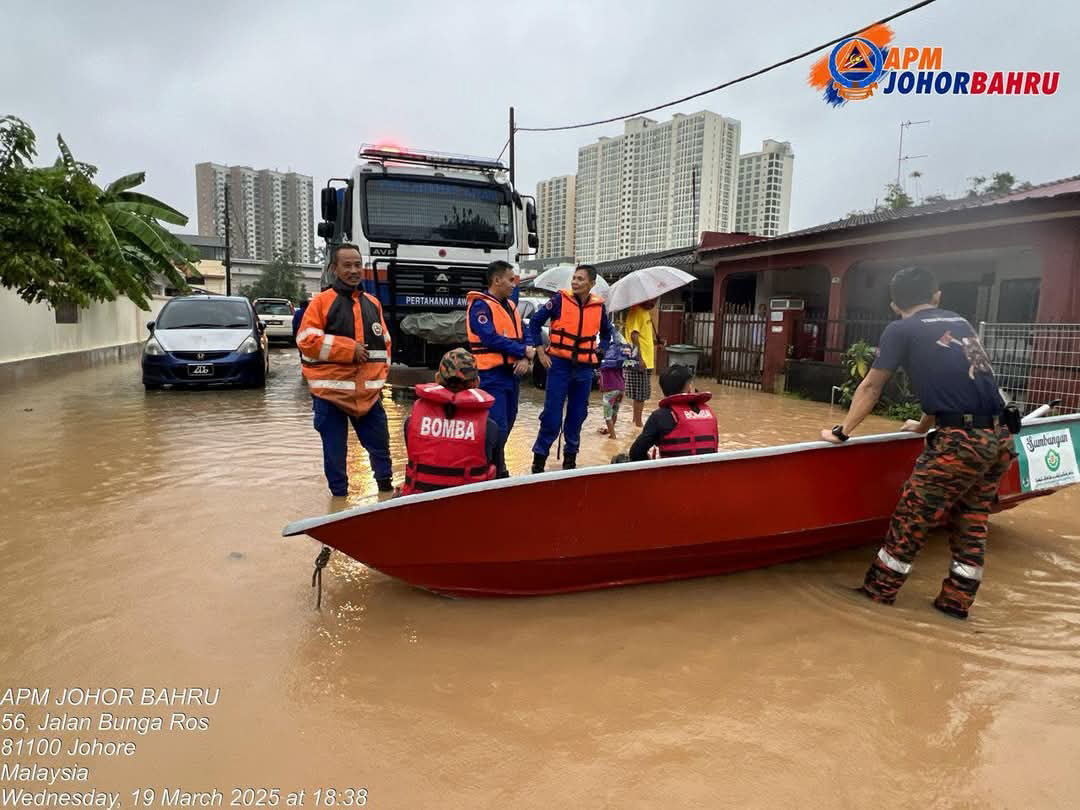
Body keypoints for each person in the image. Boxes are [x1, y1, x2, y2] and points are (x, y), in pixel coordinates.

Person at [820, 266, 1015, 620]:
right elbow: (956, 381)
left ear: (894, 304)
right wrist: (923, 424)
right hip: (999, 436)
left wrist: (841, 431)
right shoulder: (959, 322)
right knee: (971, 520)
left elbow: (871, 386)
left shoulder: (901, 329)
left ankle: (876, 597)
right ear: (937, 295)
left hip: (960, 440)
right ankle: (955, 605)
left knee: (912, 516)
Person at [297, 244, 393, 496]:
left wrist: (379, 380)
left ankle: (386, 494)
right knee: (335, 454)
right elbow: (306, 340)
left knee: (381, 449)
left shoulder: (373, 303)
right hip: (330, 397)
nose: (353, 270)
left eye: (357, 265)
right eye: (347, 265)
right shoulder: (320, 302)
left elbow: (385, 345)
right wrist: (348, 349)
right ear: (334, 269)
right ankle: (339, 502)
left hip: (369, 396)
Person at [528, 264, 615, 472]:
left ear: (591, 284)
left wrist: (600, 352)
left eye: (580, 279)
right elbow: (534, 323)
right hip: (559, 365)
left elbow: (606, 333)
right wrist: (540, 352)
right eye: (574, 278)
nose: (575, 282)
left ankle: (570, 460)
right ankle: (539, 460)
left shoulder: (598, 307)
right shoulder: (558, 300)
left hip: (584, 368)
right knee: (551, 415)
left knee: (577, 415)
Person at [401, 349, 503, 495]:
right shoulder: (490, 428)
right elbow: (499, 479)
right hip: (468, 510)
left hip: (419, 510)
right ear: (476, 383)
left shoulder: (411, 423)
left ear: (437, 379)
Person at [465, 260, 530, 475]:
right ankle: (496, 471)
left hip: (511, 374)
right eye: (510, 280)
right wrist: (521, 351)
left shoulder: (511, 306)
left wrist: (525, 356)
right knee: (497, 425)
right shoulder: (480, 306)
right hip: (491, 375)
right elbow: (489, 338)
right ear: (496, 280)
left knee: (509, 421)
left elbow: (524, 332)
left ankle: (493, 464)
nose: (514, 284)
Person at [627, 364, 718, 461]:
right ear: (689, 387)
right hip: (709, 474)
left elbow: (635, 453)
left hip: (673, 474)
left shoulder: (659, 416)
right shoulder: (710, 413)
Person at [624, 299, 665, 427]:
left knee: (640, 393)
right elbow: (634, 336)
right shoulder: (637, 311)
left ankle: (635, 420)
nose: (653, 303)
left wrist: (656, 342)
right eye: (651, 300)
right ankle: (638, 424)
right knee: (640, 394)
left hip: (645, 360)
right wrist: (639, 358)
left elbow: (643, 338)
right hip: (639, 360)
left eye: (655, 300)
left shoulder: (646, 313)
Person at [597, 335, 631, 440]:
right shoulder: (619, 361)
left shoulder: (604, 364)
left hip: (610, 392)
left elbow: (602, 381)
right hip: (620, 390)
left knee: (607, 416)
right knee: (614, 412)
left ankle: (613, 436)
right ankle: (611, 431)